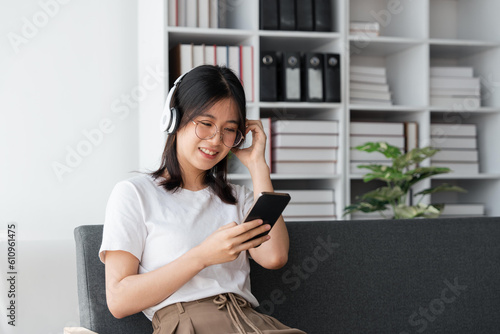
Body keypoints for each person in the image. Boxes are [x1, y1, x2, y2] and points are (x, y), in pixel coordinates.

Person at [99, 65, 306, 334]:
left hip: (250, 322)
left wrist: (258, 167)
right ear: (173, 119)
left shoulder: (239, 198)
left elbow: (274, 256)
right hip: (187, 324)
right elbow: (118, 300)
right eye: (206, 124)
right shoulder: (134, 194)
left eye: (229, 130)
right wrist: (202, 256)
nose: (216, 140)